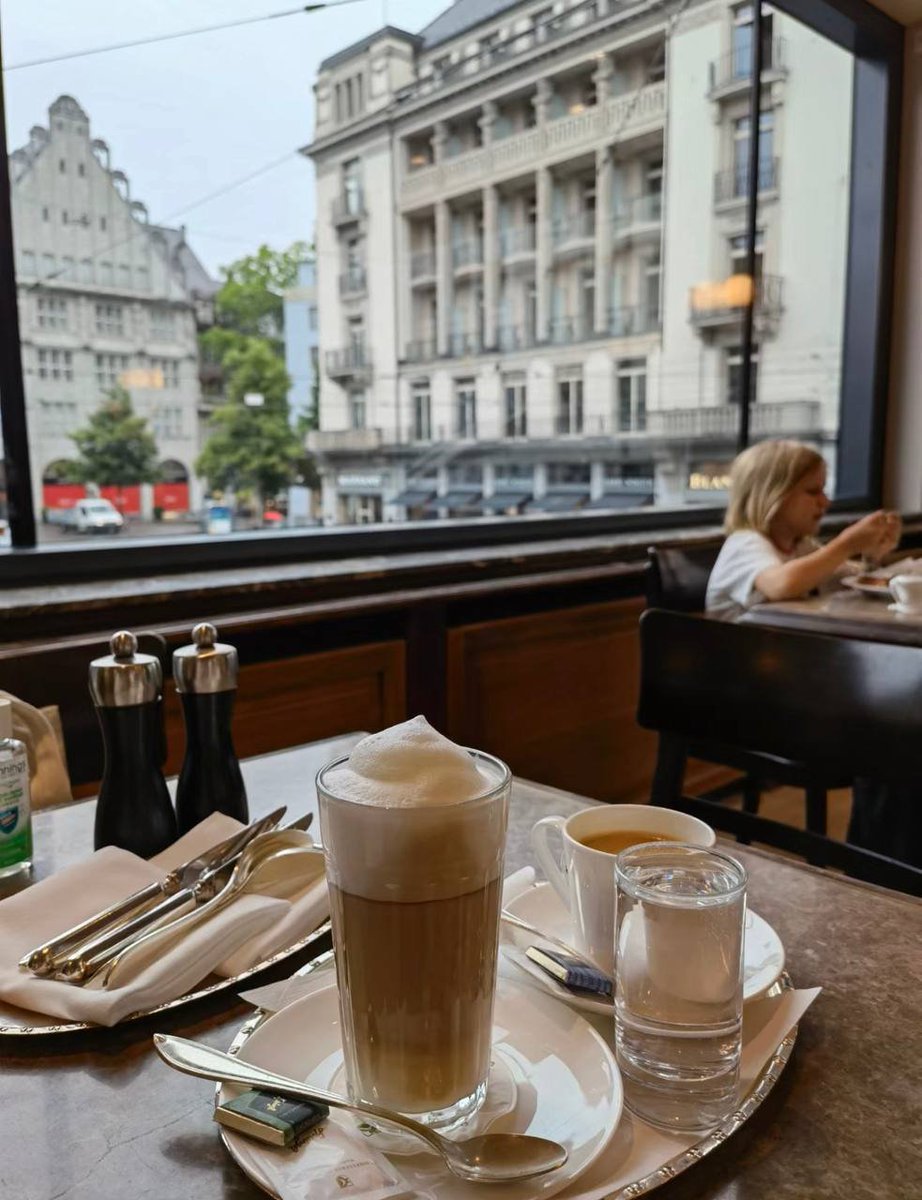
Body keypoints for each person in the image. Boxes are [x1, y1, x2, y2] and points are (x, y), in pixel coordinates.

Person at [706, 440, 901, 619]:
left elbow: (849, 580)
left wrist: (872, 556)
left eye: (823, 491)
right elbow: (782, 585)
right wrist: (847, 544)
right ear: (772, 497)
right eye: (813, 492)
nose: (825, 502)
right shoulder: (743, 544)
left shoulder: (801, 546)